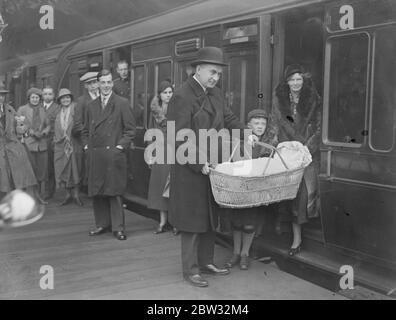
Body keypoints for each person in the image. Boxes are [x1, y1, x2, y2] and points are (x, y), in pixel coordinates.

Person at [167, 47, 251, 287]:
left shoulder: (215, 93)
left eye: (219, 74)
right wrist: (199, 163)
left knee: (208, 217)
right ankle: (190, 269)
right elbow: (179, 137)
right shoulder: (182, 96)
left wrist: (246, 133)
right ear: (198, 69)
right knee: (192, 220)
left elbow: (229, 118)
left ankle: (206, 262)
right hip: (190, 169)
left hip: (212, 165)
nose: (216, 77)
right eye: (212, 72)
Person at [271, 64, 321, 256]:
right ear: (287, 82)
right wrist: (274, 145)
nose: (295, 83)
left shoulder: (313, 100)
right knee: (287, 195)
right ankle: (289, 235)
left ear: (304, 80)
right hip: (286, 154)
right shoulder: (279, 101)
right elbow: (274, 125)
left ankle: (297, 240)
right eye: (292, 79)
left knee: (302, 198)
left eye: (299, 79)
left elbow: (319, 127)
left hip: (306, 155)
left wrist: (307, 148)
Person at [82, 69, 136, 241]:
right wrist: (86, 147)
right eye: (102, 82)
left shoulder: (122, 103)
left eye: (108, 82)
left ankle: (118, 228)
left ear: (112, 83)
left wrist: (119, 147)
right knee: (97, 191)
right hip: (96, 155)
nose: (105, 86)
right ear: (98, 84)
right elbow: (83, 130)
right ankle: (102, 224)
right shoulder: (91, 106)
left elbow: (130, 130)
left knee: (114, 192)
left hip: (113, 154)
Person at [224, 109, 278, 270]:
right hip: (241, 188)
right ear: (248, 125)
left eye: (263, 123)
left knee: (250, 223)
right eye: (256, 123)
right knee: (237, 221)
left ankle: (244, 254)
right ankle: (235, 252)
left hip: (257, 190)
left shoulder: (268, 144)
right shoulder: (241, 142)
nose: (260, 127)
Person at [147, 80, 177, 234]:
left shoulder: (179, 108)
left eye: (170, 92)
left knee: (174, 187)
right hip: (160, 151)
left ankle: (175, 222)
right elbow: (151, 132)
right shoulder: (154, 111)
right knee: (160, 187)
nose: (168, 95)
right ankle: (162, 221)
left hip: (176, 151)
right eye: (165, 93)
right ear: (159, 94)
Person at [0, 84, 38, 202]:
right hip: (1, 149)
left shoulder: (10, 109)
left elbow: (20, 129)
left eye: (3, 95)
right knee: (3, 179)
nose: (1, 97)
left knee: (17, 178)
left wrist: (21, 126)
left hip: (13, 147)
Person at [18, 88, 51, 202]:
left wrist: (44, 132)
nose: (35, 99)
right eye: (33, 97)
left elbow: (48, 125)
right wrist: (29, 131)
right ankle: (29, 197)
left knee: (41, 171)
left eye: (37, 97)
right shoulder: (22, 109)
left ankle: (38, 196)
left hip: (41, 144)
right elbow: (18, 125)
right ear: (29, 98)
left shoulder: (43, 110)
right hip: (28, 144)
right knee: (29, 171)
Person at [53, 88, 83, 206]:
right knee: (63, 169)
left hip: (75, 144)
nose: (65, 100)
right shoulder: (58, 112)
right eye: (63, 98)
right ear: (59, 100)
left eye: (67, 97)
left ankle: (76, 195)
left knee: (76, 169)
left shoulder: (76, 108)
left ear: (71, 98)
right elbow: (56, 128)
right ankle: (67, 195)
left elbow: (81, 124)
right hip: (61, 145)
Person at [74, 72, 99, 191]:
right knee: (91, 168)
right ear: (86, 86)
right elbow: (78, 123)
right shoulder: (82, 101)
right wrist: (86, 142)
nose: (93, 86)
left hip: (106, 139)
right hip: (90, 140)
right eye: (90, 84)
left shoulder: (105, 97)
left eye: (95, 82)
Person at [42, 86, 60, 200]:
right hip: (38, 140)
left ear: (53, 96)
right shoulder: (38, 107)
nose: (47, 96)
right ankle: (40, 190)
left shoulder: (57, 108)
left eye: (50, 94)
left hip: (51, 140)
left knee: (49, 166)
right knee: (40, 166)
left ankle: (50, 191)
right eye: (45, 94)